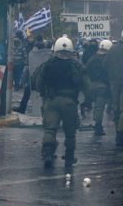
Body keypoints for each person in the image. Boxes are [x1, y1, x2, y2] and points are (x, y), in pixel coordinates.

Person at [32, 36, 90, 169]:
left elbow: (38, 82)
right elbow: (86, 84)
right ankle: (69, 158)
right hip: (70, 102)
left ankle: (47, 154)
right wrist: (87, 101)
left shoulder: (48, 64)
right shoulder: (76, 64)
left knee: (50, 129)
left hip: (51, 101)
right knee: (70, 132)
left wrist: (43, 95)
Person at [84, 39, 111, 136]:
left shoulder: (92, 58)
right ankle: (98, 126)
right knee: (100, 107)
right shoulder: (107, 59)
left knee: (97, 106)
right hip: (102, 86)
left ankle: (97, 121)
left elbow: (85, 70)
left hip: (92, 85)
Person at [104, 31, 123, 147]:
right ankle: (120, 135)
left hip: (114, 83)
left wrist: (112, 76)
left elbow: (105, 64)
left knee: (116, 108)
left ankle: (118, 134)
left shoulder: (113, 49)